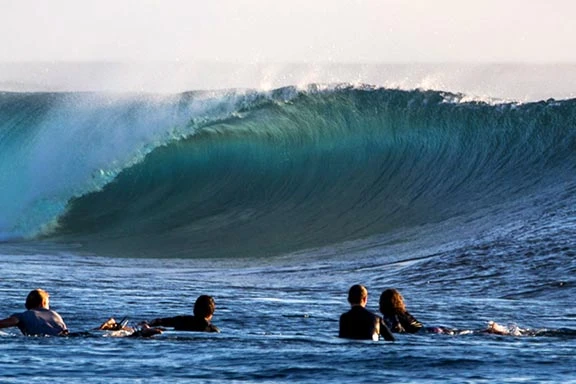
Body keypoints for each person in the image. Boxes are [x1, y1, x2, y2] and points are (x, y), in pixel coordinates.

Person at [0, 289, 68, 336]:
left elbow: (4, 323)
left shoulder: (22, 316)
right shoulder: (56, 315)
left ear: (26, 304)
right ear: (43, 303)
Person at [147, 295, 220, 332]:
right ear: (211, 313)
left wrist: (148, 325)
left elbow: (158, 321)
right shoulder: (212, 329)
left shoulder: (181, 320)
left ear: (194, 310)